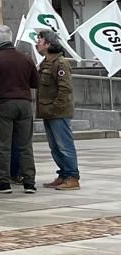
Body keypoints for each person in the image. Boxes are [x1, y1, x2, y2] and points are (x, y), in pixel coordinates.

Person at [0, 25, 38, 194]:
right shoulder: (26, 58)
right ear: (11, 37)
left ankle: (3, 181)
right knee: (25, 145)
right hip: (24, 103)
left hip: (1, 104)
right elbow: (35, 83)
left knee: (1, 145)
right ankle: (29, 182)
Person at [36, 31, 80, 190]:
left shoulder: (60, 63)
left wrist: (55, 107)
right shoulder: (45, 62)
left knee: (64, 146)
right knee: (54, 147)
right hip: (47, 111)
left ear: (48, 44)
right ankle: (63, 174)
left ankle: (72, 177)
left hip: (58, 112)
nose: (37, 43)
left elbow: (65, 89)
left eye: (40, 40)